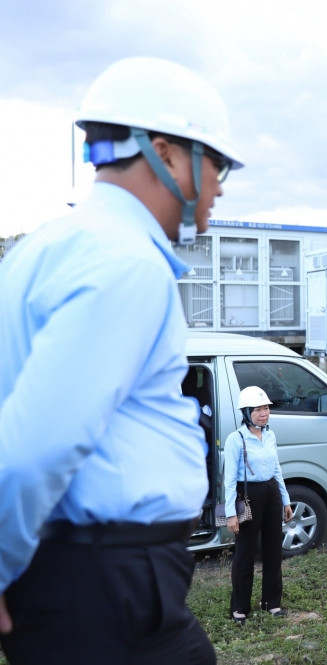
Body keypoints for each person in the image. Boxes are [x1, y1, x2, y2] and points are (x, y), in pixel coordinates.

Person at [0, 56, 242, 664]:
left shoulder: (49, 247)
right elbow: (37, 445)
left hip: (79, 576)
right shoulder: (125, 261)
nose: (219, 186)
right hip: (105, 582)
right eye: (216, 164)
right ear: (164, 151)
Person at [225, 386, 293, 625]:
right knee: (245, 552)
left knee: (274, 550)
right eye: (258, 409)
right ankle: (240, 607)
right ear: (246, 412)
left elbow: (277, 469)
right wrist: (230, 513)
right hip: (248, 495)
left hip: (271, 491)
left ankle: (271, 602)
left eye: (266, 408)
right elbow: (230, 479)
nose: (264, 413)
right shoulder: (236, 439)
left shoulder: (270, 435)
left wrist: (285, 499)